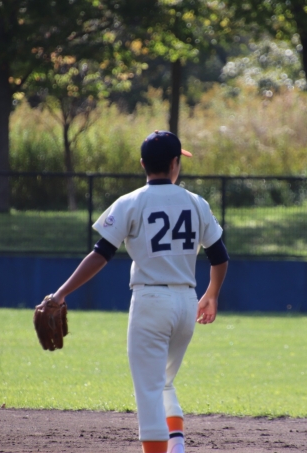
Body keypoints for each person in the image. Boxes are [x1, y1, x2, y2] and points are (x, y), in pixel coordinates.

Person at [46, 130, 230, 453]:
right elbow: (219, 256)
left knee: (148, 390)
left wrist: (60, 293)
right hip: (187, 303)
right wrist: (212, 294)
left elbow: (100, 254)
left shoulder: (131, 202)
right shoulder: (196, 203)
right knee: (164, 381)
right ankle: (177, 445)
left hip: (151, 302)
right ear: (175, 164)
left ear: (143, 164)